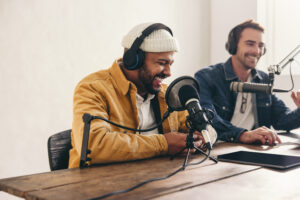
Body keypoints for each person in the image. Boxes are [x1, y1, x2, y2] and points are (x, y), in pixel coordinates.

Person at [69, 22, 213, 168]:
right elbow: (93, 145)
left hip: (156, 181)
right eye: (162, 63)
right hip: (98, 185)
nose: (169, 73)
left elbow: (207, 133)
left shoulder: (166, 94)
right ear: (133, 60)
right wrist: (164, 144)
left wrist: (200, 138)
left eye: (171, 64)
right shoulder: (93, 88)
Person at [194, 19, 300, 146]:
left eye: (261, 46)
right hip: (220, 148)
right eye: (250, 44)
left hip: (254, 149)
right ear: (233, 46)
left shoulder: (263, 79)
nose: (257, 51)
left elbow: (281, 120)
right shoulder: (207, 77)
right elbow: (206, 118)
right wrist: (242, 134)